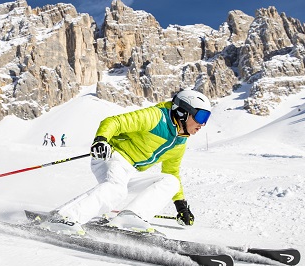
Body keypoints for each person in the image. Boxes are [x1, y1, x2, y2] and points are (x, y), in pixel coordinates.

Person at [39, 89, 211, 235]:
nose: (202, 124)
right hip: (112, 156)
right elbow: (114, 122)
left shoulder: (180, 141)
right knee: (117, 189)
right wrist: (101, 140)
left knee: (170, 181)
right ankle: (65, 218)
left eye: (207, 118)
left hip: (129, 171)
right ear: (183, 111)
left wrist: (180, 205)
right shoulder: (155, 117)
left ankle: (130, 217)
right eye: (201, 116)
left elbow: (171, 171)